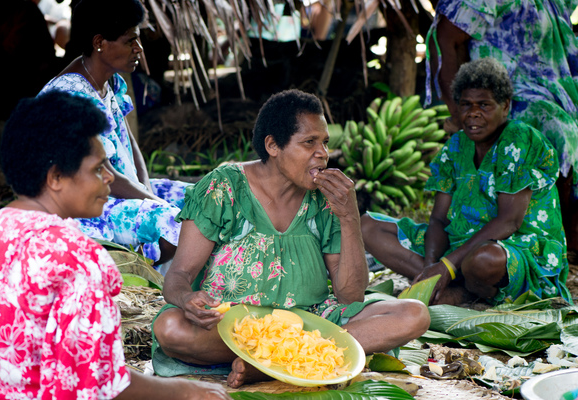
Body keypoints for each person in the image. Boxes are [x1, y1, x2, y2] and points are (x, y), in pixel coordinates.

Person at [151, 89, 430, 388]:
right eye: (309, 142)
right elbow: (178, 275)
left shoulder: (326, 199)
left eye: (324, 142)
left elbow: (350, 297)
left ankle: (265, 365)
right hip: (235, 325)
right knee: (171, 328)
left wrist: (349, 218)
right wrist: (187, 298)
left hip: (311, 323)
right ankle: (284, 358)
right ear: (273, 145)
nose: (322, 152)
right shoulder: (223, 187)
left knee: (414, 314)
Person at [0, 90, 231, 399]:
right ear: (56, 177)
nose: (110, 178)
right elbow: (97, 384)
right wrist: (185, 391)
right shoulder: (76, 259)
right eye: (98, 168)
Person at [362, 58, 572, 306]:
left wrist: (447, 266)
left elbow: (509, 220)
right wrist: (432, 268)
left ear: (505, 107)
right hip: (458, 245)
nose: (473, 113)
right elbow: (439, 219)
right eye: (466, 105)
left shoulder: (519, 139)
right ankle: (446, 288)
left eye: (484, 105)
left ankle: (472, 292)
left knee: (484, 260)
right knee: (369, 226)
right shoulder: (456, 146)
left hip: (514, 248)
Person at [39, 0, 190, 269]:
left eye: (138, 39)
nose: (139, 49)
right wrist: (154, 202)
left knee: (200, 199)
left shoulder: (107, 82)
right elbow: (102, 172)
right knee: (176, 222)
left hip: (118, 191)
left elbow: (129, 141)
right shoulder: (70, 97)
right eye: (130, 41)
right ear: (100, 42)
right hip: (85, 207)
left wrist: (147, 190)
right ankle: (141, 275)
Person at [424, 0, 578, 256]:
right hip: (503, 98)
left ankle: (561, 239)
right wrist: (459, 113)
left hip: (555, 93)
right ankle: (536, 248)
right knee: (558, 131)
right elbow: (443, 40)